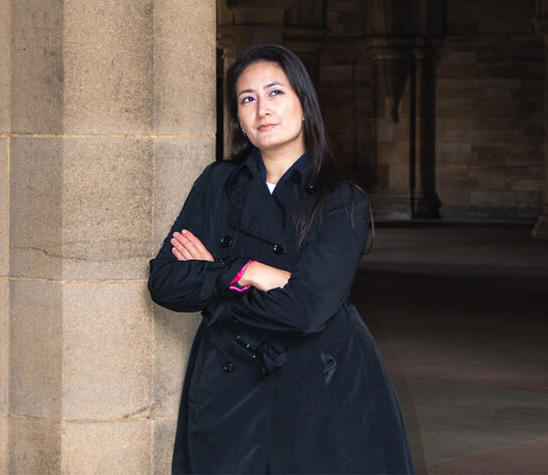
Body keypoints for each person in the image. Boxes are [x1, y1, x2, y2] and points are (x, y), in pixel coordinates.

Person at [149, 43, 415, 474]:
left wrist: (212, 287)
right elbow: (164, 280)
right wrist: (246, 271)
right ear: (238, 118)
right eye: (247, 99)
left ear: (304, 106)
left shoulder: (341, 200)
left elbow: (305, 310)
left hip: (320, 383)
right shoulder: (217, 184)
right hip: (226, 386)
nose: (262, 110)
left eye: (276, 93)